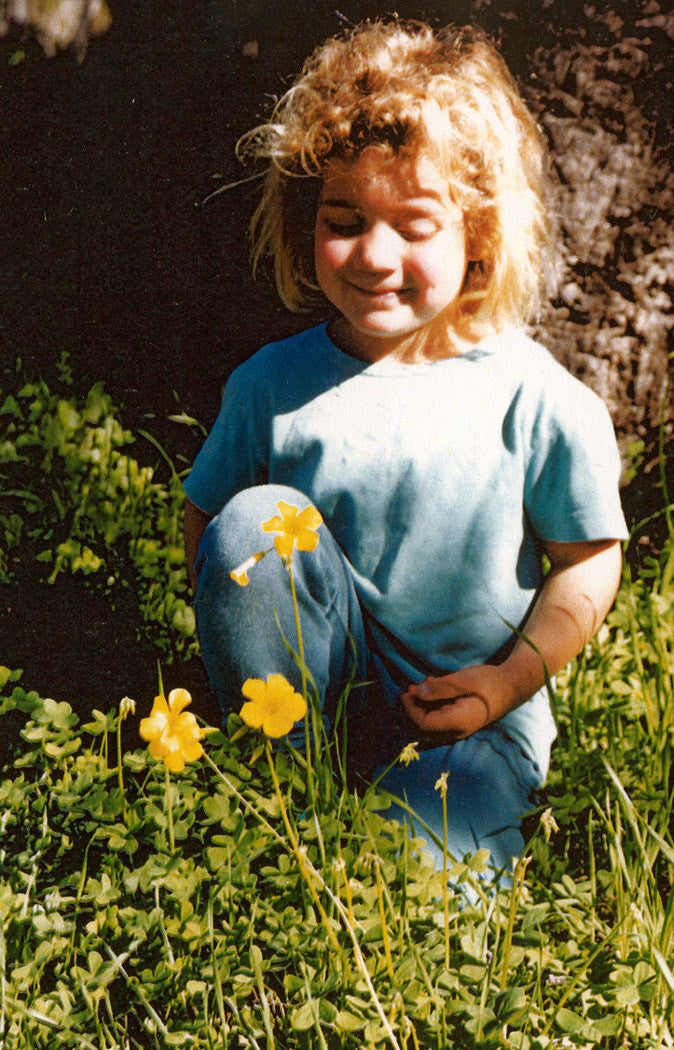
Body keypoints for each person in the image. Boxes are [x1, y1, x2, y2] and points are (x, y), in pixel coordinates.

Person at [183, 20, 628, 878]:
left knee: (414, 877)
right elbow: (214, 532)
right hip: (319, 707)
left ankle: (403, 836)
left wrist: (503, 687)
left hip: (475, 729)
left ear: (479, 237)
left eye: (415, 225)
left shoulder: (532, 395)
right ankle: (285, 781)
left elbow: (587, 560)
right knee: (252, 524)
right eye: (345, 219)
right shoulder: (273, 385)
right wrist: (249, 668)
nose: (376, 256)